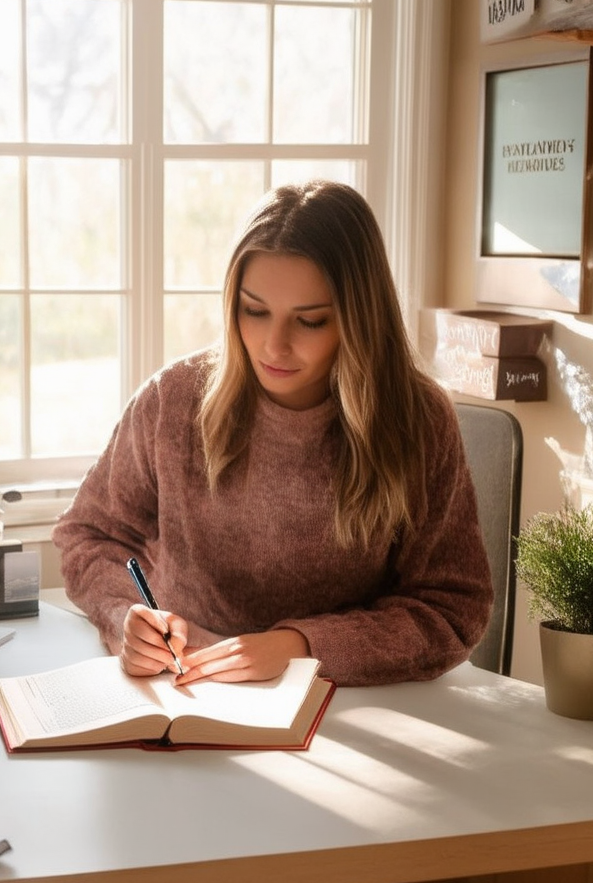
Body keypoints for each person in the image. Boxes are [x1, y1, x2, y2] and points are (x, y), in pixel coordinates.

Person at [52, 180, 493, 687]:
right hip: (186, 694)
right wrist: (122, 615)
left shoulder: (418, 420)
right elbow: (88, 535)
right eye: (254, 311)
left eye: (310, 321)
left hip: (351, 706)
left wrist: (300, 648)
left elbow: (451, 609)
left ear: (360, 319)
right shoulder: (171, 401)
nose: (274, 346)